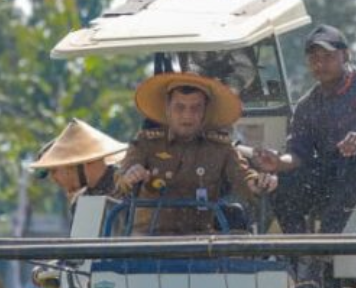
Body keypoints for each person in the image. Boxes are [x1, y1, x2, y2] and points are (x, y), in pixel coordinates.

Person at [252, 24, 356, 234]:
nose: (320, 63)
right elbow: (298, 155)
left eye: (328, 56)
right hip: (339, 183)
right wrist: (277, 163)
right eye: (314, 58)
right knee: (281, 184)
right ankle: (300, 255)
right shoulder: (307, 105)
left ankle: (327, 246)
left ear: (345, 55)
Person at [115, 73, 277, 234]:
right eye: (180, 107)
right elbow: (121, 181)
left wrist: (260, 183)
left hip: (199, 243)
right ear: (167, 109)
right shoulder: (146, 143)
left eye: (196, 108)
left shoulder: (221, 148)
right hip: (148, 243)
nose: (187, 115)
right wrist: (131, 176)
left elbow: (244, 178)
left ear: (205, 112)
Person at [28, 118, 127, 202]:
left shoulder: (125, 183)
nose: (53, 179)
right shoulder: (81, 199)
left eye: (54, 171)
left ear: (77, 163)